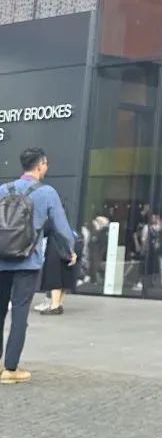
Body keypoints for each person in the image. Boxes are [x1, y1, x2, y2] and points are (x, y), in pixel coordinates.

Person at [0, 148, 76, 384]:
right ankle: (10, 369)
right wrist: (70, 251)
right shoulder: (47, 192)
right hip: (27, 261)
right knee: (20, 313)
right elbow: (62, 227)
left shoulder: (4, 189)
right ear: (40, 165)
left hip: (1, 260)